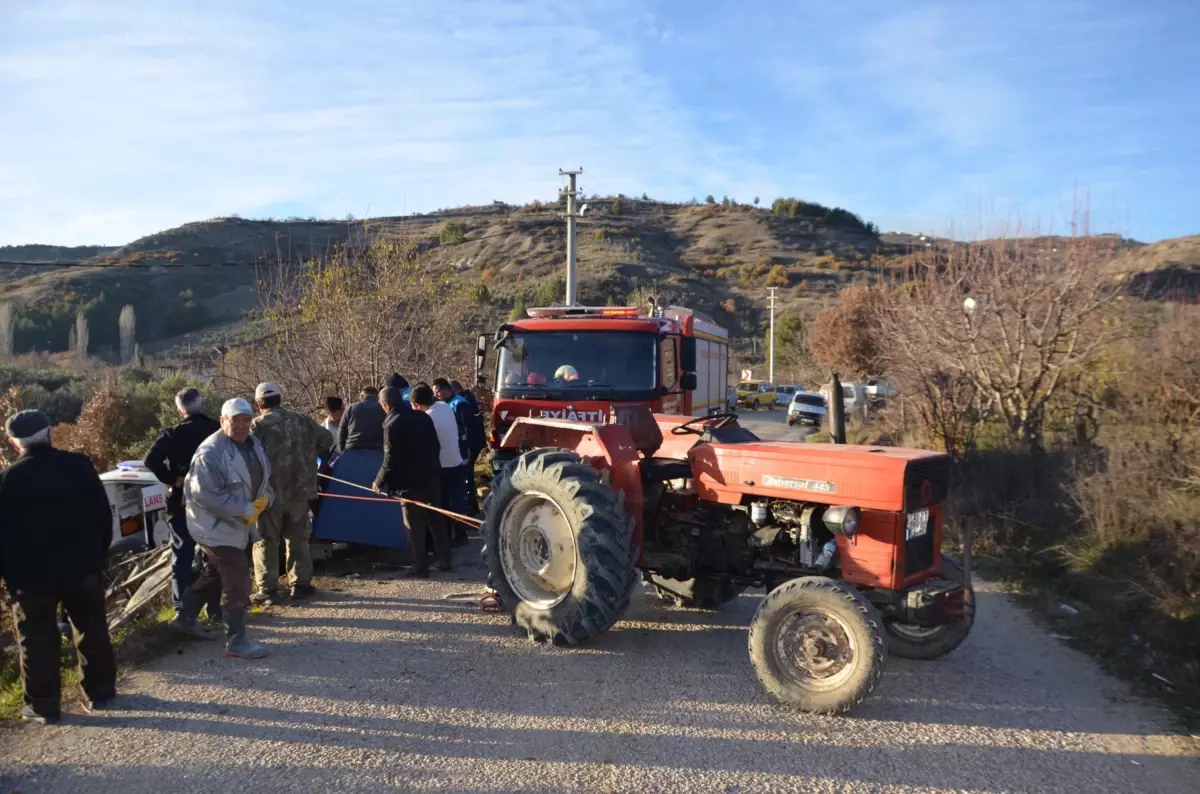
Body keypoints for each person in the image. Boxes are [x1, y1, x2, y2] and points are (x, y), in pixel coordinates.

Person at [0, 410, 117, 723]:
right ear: (49, 434)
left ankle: (43, 706)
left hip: (30, 579)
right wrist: (99, 557)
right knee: (92, 630)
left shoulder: (7, 480)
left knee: (36, 639)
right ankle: (100, 693)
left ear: (13, 443)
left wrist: (9, 578)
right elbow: (103, 516)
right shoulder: (79, 466)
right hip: (82, 567)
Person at [179, 398, 272, 659]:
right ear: (222, 421)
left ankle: (184, 618)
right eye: (235, 420)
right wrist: (245, 509)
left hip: (236, 524)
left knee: (216, 573)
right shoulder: (210, 453)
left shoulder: (252, 444)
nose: (241, 425)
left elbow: (263, 478)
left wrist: (267, 498)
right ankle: (236, 641)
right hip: (212, 525)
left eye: (246, 420)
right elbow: (204, 495)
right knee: (237, 576)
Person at [250, 382, 333, 604]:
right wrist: (308, 454)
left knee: (265, 540)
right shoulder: (302, 421)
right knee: (298, 539)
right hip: (300, 491)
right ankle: (300, 585)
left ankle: (268, 591)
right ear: (280, 399)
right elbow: (328, 439)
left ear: (259, 404)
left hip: (268, 495)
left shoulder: (256, 426)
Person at [144, 387, 222, 623]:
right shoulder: (217, 430)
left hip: (180, 503)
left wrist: (172, 478)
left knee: (182, 558)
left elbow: (150, 459)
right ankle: (215, 609)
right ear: (202, 404)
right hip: (212, 502)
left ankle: (182, 610)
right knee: (214, 557)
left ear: (180, 411)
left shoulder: (172, 434)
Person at [373, 385, 450, 577]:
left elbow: (390, 459)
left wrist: (379, 481)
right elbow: (436, 446)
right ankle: (445, 559)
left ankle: (420, 565)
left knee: (414, 526)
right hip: (431, 475)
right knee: (436, 519)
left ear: (386, 405)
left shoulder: (391, 424)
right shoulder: (422, 417)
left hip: (409, 483)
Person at [411, 384, 468, 546]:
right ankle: (461, 534)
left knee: (442, 505)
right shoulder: (444, 406)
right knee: (457, 501)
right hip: (456, 461)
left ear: (417, 405)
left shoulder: (427, 418)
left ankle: (445, 540)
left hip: (441, 467)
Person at [450, 380, 486, 517]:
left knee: (466, 475)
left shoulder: (461, 403)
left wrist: (464, 445)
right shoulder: (469, 398)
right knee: (468, 474)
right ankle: (472, 507)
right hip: (474, 442)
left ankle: (470, 508)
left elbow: (466, 428)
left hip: (469, 444)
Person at [338, 386, 386, 452]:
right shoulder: (383, 408)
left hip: (352, 448)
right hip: (376, 449)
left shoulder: (351, 408)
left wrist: (342, 451)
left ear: (362, 396)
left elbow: (342, 431)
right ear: (378, 396)